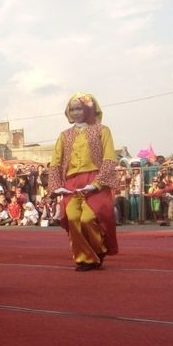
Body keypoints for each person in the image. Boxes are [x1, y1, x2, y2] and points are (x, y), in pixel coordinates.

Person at [48, 93, 118, 271]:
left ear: (88, 109)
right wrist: (56, 186)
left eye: (79, 108)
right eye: (72, 109)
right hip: (72, 183)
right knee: (72, 218)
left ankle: (98, 249)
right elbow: (55, 162)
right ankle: (84, 258)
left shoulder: (102, 130)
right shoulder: (64, 136)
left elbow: (109, 159)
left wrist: (98, 182)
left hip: (95, 180)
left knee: (88, 219)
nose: (76, 112)